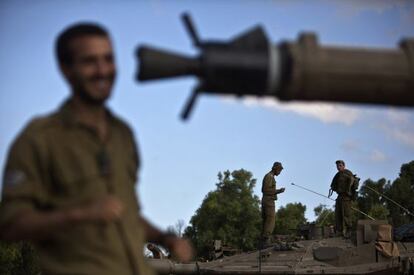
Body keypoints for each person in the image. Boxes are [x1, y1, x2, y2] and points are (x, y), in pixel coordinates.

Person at [0, 23, 192, 275]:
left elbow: (125, 213)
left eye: (108, 59)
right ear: (66, 70)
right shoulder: (39, 139)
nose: (103, 70)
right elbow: (11, 224)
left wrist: (166, 239)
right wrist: (79, 214)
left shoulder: (123, 134)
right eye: (90, 61)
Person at [329, 160, 356, 238]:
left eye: (340, 165)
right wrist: (334, 188)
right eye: (337, 166)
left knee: (346, 215)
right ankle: (339, 231)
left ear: (344, 166)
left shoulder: (348, 173)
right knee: (338, 214)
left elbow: (352, 180)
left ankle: (349, 231)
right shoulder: (337, 175)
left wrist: (348, 190)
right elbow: (333, 185)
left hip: (346, 197)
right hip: (339, 196)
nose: (338, 167)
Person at [261, 161, 285, 246]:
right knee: (270, 220)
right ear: (275, 169)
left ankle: (265, 240)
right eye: (279, 170)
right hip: (268, 201)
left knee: (268, 220)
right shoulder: (269, 176)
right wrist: (278, 191)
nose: (280, 172)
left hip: (268, 200)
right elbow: (265, 190)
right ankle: (266, 240)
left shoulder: (271, 177)